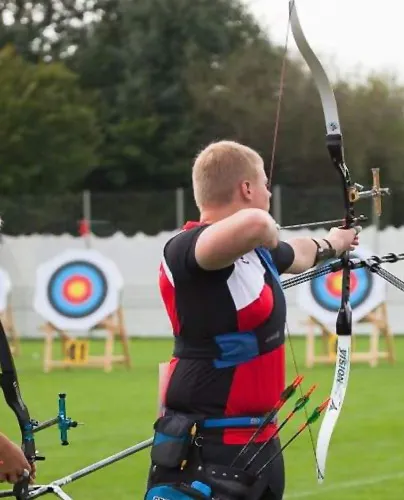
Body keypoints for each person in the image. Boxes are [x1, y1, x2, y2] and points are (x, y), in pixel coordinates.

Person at [145, 140, 360, 500]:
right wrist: (267, 229)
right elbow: (258, 224)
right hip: (210, 446)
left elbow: (298, 254)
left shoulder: (254, 253)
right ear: (246, 188)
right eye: (263, 184)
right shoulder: (186, 249)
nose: (268, 193)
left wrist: (334, 242)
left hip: (259, 442)